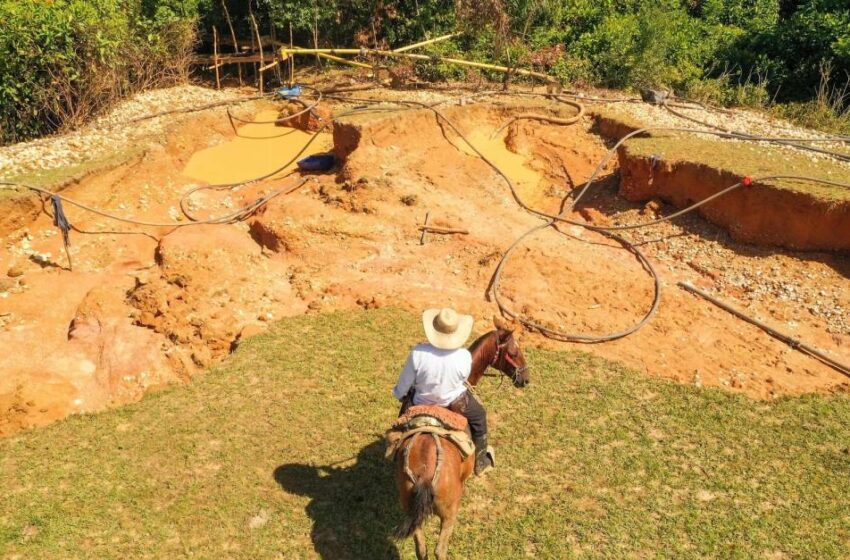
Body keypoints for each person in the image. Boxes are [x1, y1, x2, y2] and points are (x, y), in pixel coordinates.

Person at [392, 307, 494, 475]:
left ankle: (396, 454)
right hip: (455, 403)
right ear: (456, 332)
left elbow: (404, 385)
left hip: (419, 403)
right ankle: (481, 460)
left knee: (400, 427)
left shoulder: (418, 353)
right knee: (479, 417)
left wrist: (400, 394)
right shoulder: (464, 356)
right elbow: (462, 379)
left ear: (434, 329)